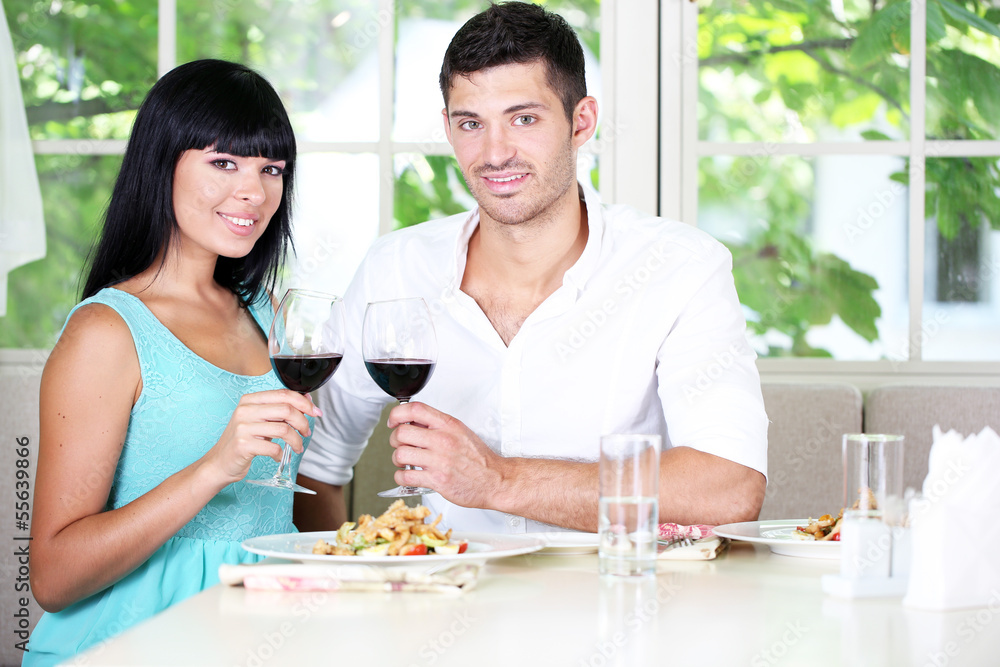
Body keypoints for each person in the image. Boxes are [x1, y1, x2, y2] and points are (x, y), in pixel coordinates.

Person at [294, 1, 768, 534]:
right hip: (448, 584)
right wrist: (343, 573)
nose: (495, 153)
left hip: (613, 585)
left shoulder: (680, 267)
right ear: (447, 128)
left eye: (523, 119)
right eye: (471, 123)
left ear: (581, 121)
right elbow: (315, 466)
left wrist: (497, 480)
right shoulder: (397, 267)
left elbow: (730, 486)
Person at [27, 59, 321, 664]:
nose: (254, 191)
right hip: (138, 646)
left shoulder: (266, 313)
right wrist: (213, 468)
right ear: (162, 163)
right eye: (224, 163)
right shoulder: (106, 332)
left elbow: (277, 515)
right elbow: (53, 578)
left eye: (271, 169)